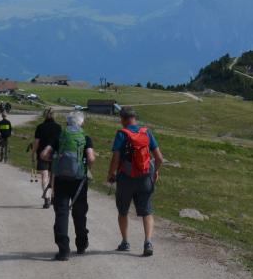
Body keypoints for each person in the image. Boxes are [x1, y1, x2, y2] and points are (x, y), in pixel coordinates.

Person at [107, 106, 164, 257]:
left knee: (123, 211)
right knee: (147, 211)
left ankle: (125, 242)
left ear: (123, 119)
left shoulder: (122, 134)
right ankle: (148, 242)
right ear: (135, 118)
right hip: (145, 177)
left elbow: (115, 158)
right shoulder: (146, 133)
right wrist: (155, 171)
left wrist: (111, 174)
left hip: (125, 179)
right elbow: (159, 158)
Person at [39, 110, 95, 260]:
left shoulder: (59, 137)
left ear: (67, 123)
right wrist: (86, 168)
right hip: (79, 182)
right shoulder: (85, 138)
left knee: (62, 213)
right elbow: (91, 158)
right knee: (80, 213)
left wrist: (56, 161)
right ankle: (82, 245)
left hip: (61, 180)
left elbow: (44, 155)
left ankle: (63, 250)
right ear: (81, 123)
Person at [29, 108, 61, 208]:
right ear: (54, 115)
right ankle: (53, 196)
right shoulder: (58, 127)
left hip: (42, 154)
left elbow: (37, 142)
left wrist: (33, 153)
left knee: (44, 176)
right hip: (54, 154)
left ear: (44, 115)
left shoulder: (40, 127)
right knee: (53, 176)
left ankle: (46, 198)